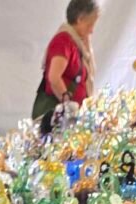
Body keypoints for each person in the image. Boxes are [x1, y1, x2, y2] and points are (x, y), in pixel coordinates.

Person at [33, 0, 99, 136]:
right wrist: (70, 109)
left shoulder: (76, 43)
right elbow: (54, 78)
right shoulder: (63, 41)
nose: (92, 30)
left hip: (68, 120)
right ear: (80, 19)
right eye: (90, 24)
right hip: (60, 121)